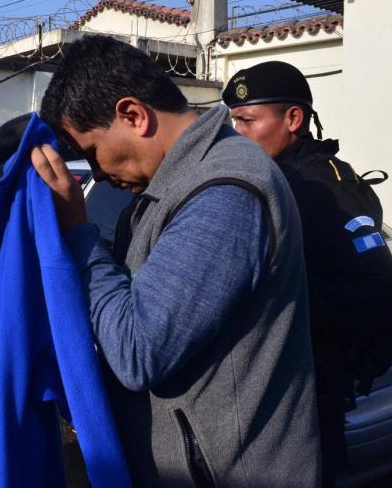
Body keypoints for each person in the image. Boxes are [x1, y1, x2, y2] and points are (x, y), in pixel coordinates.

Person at [31, 35, 321, 486]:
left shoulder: (227, 190)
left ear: (134, 115)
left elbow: (138, 351)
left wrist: (77, 233)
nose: (100, 174)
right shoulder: (172, 185)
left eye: (93, 153)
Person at [222, 61, 392, 486]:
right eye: (233, 121)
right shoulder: (283, 174)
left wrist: (356, 363)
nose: (237, 132)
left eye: (247, 120)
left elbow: (373, 282)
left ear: (294, 119)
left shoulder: (319, 187)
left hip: (313, 378)